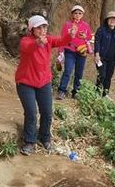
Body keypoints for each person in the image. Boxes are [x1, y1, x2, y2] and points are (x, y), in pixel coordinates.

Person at [15, 15, 77, 155]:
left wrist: (70, 35)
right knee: (31, 113)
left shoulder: (48, 39)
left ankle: (45, 138)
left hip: (43, 82)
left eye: (44, 26)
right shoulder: (25, 41)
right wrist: (38, 42)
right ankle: (30, 141)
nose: (43, 29)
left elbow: (61, 40)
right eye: (39, 27)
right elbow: (28, 48)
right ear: (32, 29)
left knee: (47, 112)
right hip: (26, 82)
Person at [57, 5, 93, 99]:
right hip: (70, 50)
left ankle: (76, 92)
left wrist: (85, 37)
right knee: (68, 70)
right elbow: (62, 38)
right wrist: (61, 51)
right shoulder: (68, 25)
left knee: (79, 72)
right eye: (75, 13)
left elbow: (89, 37)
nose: (77, 15)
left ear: (82, 15)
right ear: (72, 14)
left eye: (79, 13)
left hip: (82, 51)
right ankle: (62, 91)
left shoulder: (85, 25)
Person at [94, 11, 115, 97]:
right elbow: (97, 42)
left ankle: (105, 94)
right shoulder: (101, 30)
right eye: (110, 19)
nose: (112, 21)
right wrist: (97, 54)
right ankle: (97, 93)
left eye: (114, 19)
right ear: (107, 20)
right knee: (102, 75)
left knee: (108, 77)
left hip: (112, 58)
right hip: (101, 57)